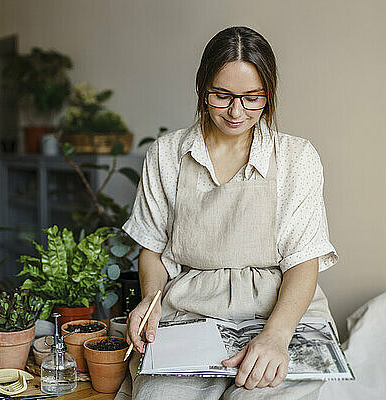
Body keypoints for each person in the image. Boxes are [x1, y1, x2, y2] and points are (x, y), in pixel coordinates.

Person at [116, 26, 338, 400]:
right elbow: (152, 249)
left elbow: (303, 262)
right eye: (222, 96)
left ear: (269, 95)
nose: (237, 112)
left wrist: (276, 336)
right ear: (203, 88)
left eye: (253, 98)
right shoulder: (166, 154)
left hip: (277, 311)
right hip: (188, 311)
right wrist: (149, 301)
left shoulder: (297, 158)